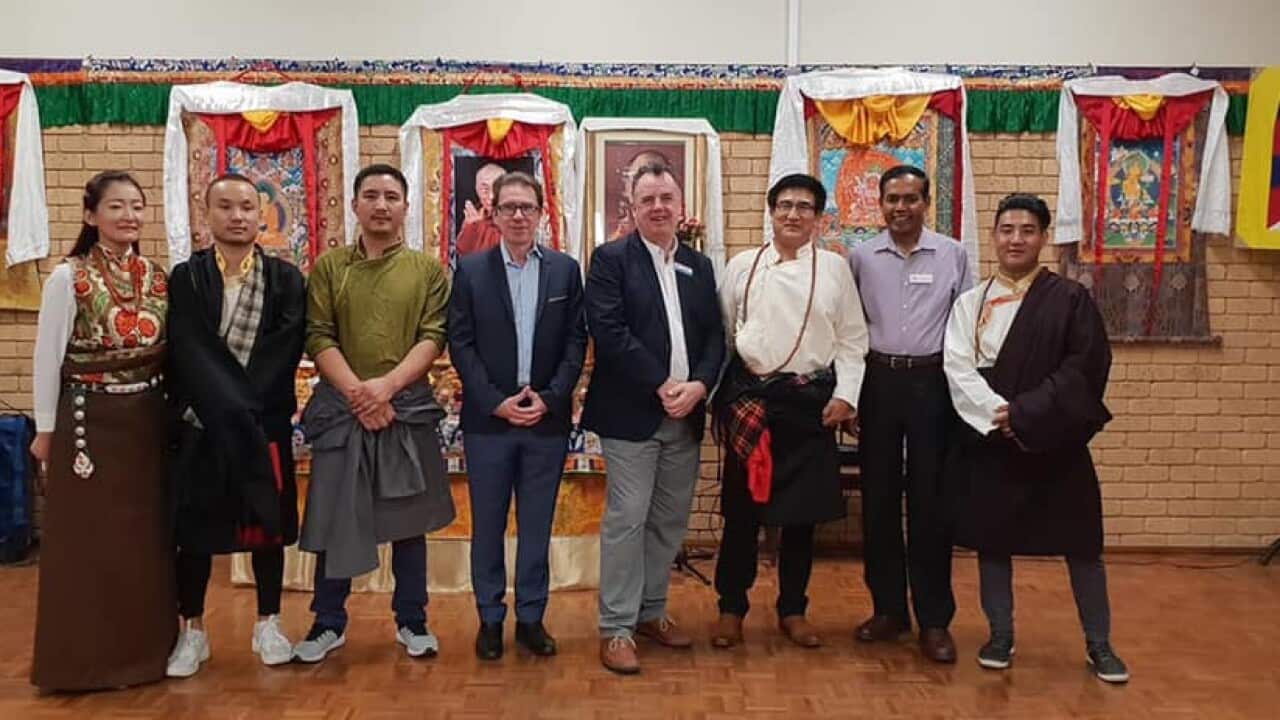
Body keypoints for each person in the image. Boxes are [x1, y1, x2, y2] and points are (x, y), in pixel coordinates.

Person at [943, 193, 1129, 683]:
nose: (1016, 240)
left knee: (1083, 546)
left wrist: (1025, 413)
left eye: (1027, 230)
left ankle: (1099, 643)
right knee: (993, 543)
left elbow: (1084, 367)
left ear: (1043, 237)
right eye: (1007, 230)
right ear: (994, 236)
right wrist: (999, 416)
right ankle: (1000, 635)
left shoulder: (1069, 299)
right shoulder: (970, 303)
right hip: (993, 441)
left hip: (1055, 442)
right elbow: (957, 368)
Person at [294, 163, 456, 663]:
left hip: (404, 407)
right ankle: (327, 622)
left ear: (406, 207)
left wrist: (386, 388)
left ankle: (413, 619)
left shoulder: (426, 271)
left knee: (409, 520)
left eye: (391, 196)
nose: (381, 205)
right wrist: (358, 394)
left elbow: (433, 335)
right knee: (335, 515)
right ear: (354, 205)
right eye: (371, 195)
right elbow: (318, 334)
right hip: (343, 411)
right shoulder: (330, 268)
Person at [29, 170, 176, 691]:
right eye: (116, 206)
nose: (129, 216)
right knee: (89, 543)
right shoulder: (67, 277)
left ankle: (144, 656)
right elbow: (47, 357)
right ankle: (82, 664)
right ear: (91, 214)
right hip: (87, 423)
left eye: (136, 205)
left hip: (146, 422)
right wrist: (45, 430)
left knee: (142, 542)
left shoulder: (157, 276)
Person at [710, 173, 867, 649]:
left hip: (809, 407)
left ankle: (793, 609)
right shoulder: (742, 266)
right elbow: (724, 335)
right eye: (784, 205)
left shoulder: (835, 270)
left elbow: (852, 339)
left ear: (818, 217)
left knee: (802, 518)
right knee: (741, 516)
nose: (793, 214)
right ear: (771, 211)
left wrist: (847, 396)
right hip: (753, 406)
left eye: (804, 207)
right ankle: (731, 608)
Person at [582, 161, 724, 674]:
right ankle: (616, 627)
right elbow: (609, 330)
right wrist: (662, 384)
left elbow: (715, 336)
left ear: (681, 205)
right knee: (628, 519)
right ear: (633, 208)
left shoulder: (699, 265)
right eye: (648, 200)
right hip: (631, 416)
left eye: (667, 198)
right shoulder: (611, 260)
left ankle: (651, 611)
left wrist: (699, 386)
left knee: (668, 521)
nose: (659, 207)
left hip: (685, 415)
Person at [164, 174, 307, 677]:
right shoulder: (187, 277)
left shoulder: (285, 279)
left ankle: (269, 623)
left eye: (247, 207)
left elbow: (282, 352)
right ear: (207, 214)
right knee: (194, 534)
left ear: (261, 214)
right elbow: (189, 351)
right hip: (201, 424)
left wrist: (240, 410)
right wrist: (221, 408)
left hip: (259, 425)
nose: (237, 216)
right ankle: (192, 630)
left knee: (266, 528)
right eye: (225, 206)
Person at [448, 171, 587, 660]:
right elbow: (460, 343)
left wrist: (551, 396)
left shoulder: (565, 271)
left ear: (541, 213)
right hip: (489, 422)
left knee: (536, 525)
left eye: (527, 207)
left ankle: (531, 617)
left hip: (545, 422)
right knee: (487, 526)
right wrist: (494, 401)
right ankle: (489, 618)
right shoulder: (471, 270)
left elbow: (576, 341)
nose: (519, 216)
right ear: (495, 214)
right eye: (509, 207)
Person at [847, 165, 971, 663]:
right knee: (878, 501)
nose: (901, 208)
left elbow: (965, 326)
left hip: (932, 383)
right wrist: (850, 394)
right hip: (878, 381)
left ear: (926, 203)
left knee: (931, 502)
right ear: (879, 204)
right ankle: (889, 610)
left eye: (911, 199)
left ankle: (935, 620)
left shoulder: (953, 254)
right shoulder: (861, 257)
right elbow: (850, 327)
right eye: (892, 199)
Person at [456, 162, 506, 257]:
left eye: (497, 189)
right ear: (477, 190)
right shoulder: (475, 215)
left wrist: (479, 226)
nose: (491, 196)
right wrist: (472, 227)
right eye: (485, 190)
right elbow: (462, 251)